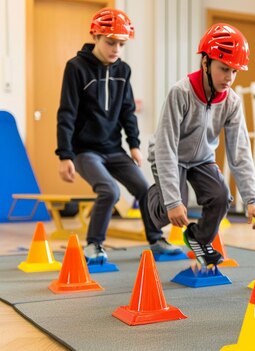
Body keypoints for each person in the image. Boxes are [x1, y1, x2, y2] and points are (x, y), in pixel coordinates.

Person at [56, 8, 182, 264]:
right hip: (85, 151)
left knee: (146, 190)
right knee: (109, 191)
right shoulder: (76, 68)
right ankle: (94, 246)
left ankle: (156, 240)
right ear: (95, 35)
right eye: (110, 42)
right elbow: (66, 113)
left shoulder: (123, 70)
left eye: (121, 44)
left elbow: (127, 111)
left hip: (114, 149)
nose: (116, 48)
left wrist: (134, 145)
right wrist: (65, 155)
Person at [145, 23, 255, 267]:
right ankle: (151, 201)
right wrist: (172, 201)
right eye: (223, 69)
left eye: (234, 71)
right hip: (170, 155)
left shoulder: (231, 102)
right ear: (205, 62)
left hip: (201, 159)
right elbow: (166, 146)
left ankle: (198, 239)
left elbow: (239, 152)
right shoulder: (180, 92)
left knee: (221, 196)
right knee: (171, 209)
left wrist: (252, 199)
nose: (229, 78)